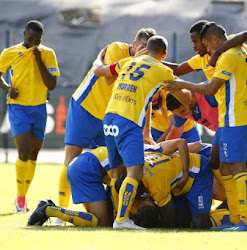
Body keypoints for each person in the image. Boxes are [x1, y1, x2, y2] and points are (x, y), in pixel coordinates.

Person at [54, 28, 156, 226]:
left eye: (148, 49)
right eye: (141, 48)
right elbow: (109, 77)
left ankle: (116, 213)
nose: (144, 52)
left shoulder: (146, 64)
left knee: (113, 166)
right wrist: (134, 61)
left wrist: (147, 131)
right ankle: (60, 213)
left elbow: (147, 95)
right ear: (133, 46)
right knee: (71, 159)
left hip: (110, 118)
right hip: (85, 107)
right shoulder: (117, 48)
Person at [165, 22, 247, 231]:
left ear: (212, 40)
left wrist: (182, 84)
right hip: (228, 119)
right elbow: (179, 68)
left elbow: (211, 87)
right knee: (219, 163)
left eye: (199, 42)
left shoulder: (228, 54)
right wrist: (152, 62)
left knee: (240, 167)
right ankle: (235, 217)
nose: (199, 47)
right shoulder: (208, 57)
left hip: (236, 117)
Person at [93, 35, 189, 229]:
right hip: (128, 120)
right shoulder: (163, 70)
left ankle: (117, 216)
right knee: (135, 172)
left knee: (116, 173)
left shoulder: (128, 61)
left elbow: (99, 71)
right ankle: (121, 220)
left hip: (109, 117)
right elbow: (185, 99)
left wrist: (99, 58)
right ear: (164, 54)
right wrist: (179, 82)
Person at [0, 20, 60, 213]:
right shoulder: (9, 52)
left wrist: (38, 59)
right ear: (24, 33)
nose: (34, 43)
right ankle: (19, 198)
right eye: (30, 39)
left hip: (39, 108)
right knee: (23, 152)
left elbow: (51, 84)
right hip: (18, 108)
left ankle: (24, 196)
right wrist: (7, 88)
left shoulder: (48, 54)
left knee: (33, 154)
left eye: (38, 41)